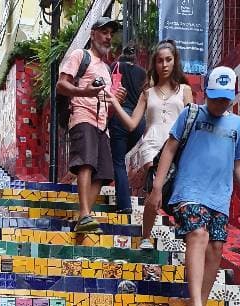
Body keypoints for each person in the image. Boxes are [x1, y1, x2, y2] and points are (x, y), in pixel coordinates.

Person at [147, 66, 240, 306]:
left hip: (220, 196)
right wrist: (157, 187)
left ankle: (201, 303)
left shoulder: (237, 125)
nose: (219, 103)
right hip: (189, 191)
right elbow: (170, 149)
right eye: (215, 97)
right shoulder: (191, 114)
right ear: (206, 92)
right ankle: (195, 303)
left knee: (216, 247)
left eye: (224, 99)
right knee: (198, 234)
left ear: (232, 97)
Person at [108, 40, 192, 247]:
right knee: (156, 184)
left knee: (169, 190)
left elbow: (192, 120)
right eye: (160, 61)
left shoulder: (185, 90)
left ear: (175, 62)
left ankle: (163, 231)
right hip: (152, 145)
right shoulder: (147, 93)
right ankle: (146, 237)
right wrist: (115, 103)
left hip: (177, 144)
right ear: (154, 64)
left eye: (168, 60)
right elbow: (131, 124)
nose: (164, 65)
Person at [57, 17, 127, 233]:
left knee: (105, 171)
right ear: (92, 34)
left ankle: (83, 218)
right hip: (82, 115)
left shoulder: (106, 69)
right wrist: (84, 92)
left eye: (110, 34)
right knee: (86, 163)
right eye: (104, 32)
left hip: (101, 124)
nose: (108, 37)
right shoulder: (81, 55)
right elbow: (61, 85)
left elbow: (104, 103)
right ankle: (86, 214)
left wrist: (117, 101)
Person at [108, 43, 146, 215]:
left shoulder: (115, 67)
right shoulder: (143, 73)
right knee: (120, 158)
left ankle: (124, 204)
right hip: (139, 121)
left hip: (120, 116)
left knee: (118, 162)